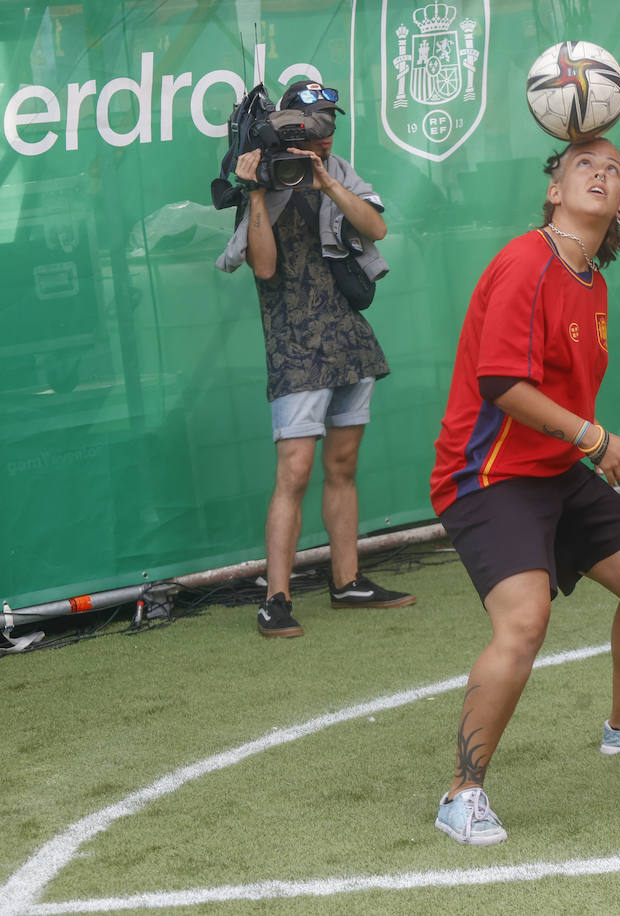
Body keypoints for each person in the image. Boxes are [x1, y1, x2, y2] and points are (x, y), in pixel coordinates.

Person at [429, 137, 620, 846]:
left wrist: (585, 446)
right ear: (554, 190)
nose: (601, 173)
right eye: (584, 164)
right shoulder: (527, 260)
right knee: (524, 622)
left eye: (613, 170)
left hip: (553, 470)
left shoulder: (592, 282)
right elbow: (501, 383)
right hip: (486, 476)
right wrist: (595, 440)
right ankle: (462, 794)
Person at [230, 80, 415, 639]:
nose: (324, 135)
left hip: (347, 337)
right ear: (289, 126)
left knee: (343, 466)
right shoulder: (263, 178)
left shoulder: (339, 172)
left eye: (330, 124)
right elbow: (264, 268)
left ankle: (347, 580)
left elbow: (376, 227)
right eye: (313, 126)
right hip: (293, 343)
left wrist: (328, 181)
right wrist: (256, 192)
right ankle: (276, 599)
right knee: (294, 473)